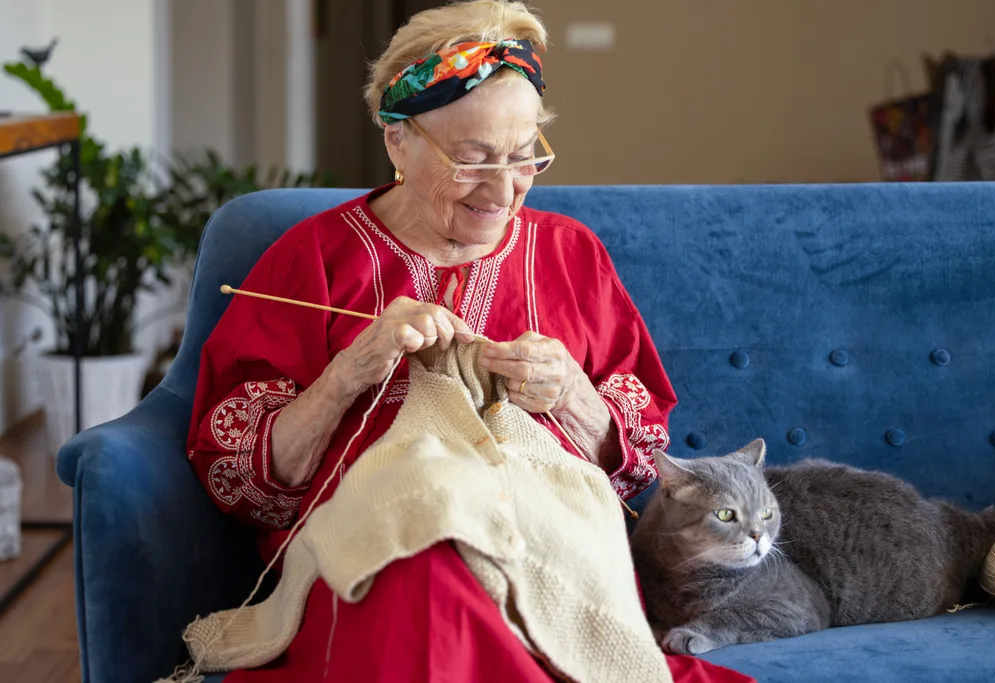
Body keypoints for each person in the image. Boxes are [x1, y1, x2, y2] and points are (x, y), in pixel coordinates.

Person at [187, 2, 752, 681]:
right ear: (398, 139)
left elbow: (641, 469)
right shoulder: (313, 258)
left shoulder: (572, 256)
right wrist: (349, 372)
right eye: (473, 158)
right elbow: (238, 479)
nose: (502, 189)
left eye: (524, 157)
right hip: (374, 545)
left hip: (544, 546)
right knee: (427, 570)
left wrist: (574, 397)